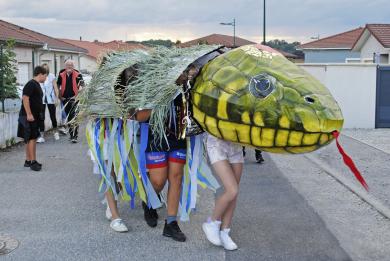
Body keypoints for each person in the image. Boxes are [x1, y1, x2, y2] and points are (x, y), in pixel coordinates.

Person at [138, 97, 187, 242]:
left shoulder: (184, 85)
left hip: (178, 136)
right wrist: (159, 98)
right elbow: (139, 117)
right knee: (158, 181)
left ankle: (171, 223)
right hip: (155, 137)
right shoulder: (151, 84)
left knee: (176, 177)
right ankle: (149, 202)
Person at [202, 134, 244, 250]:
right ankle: (212, 222)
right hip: (217, 143)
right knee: (232, 190)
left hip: (236, 144)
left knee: (234, 193)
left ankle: (225, 232)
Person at [17, 66, 47, 171]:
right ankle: (33, 162)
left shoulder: (36, 84)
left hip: (33, 116)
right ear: (40, 74)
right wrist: (29, 114)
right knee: (32, 138)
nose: (46, 78)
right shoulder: (31, 84)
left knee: (30, 138)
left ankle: (28, 160)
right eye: (45, 75)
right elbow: (25, 98)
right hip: (28, 116)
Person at [57, 60, 84, 143]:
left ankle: (74, 136)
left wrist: (78, 95)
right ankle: (71, 134)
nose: (69, 66)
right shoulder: (61, 74)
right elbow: (58, 85)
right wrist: (60, 96)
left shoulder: (78, 75)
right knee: (69, 118)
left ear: (73, 66)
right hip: (65, 99)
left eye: (71, 65)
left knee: (74, 117)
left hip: (74, 99)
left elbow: (83, 86)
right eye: (68, 65)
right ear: (65, 66)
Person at [37, 63, 60, 143]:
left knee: (53, 116)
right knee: (41, 117)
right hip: (41, 100)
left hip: (51, 99)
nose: (45, 71)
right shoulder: (39, 76)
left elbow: (55, 88)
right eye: (43, 69)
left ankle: (56, 132)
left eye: (46, 69)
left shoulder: (52, 76)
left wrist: (57, 98)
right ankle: (41, 135)